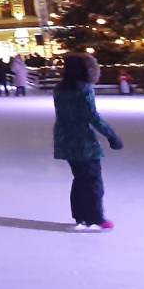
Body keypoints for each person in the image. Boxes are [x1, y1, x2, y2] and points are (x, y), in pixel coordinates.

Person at [53, 53, 123, 231]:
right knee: (92, 179)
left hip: (65, 137)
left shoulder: (60, 89)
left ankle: (80, 215)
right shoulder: (83, 90)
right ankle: (95, 217)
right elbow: (92, 116)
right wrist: (111, 135)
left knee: (80, 178)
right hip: (83, 140)